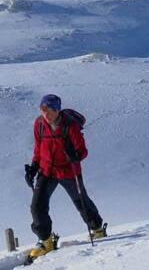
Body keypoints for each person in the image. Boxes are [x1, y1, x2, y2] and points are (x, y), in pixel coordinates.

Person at [25, 94, 106, 258]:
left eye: (48, 110)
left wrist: (75, 156)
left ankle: (97, 228)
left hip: (68, 171)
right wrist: (33, 167)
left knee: (81, 201)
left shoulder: (70, 126)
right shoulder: (39, 124)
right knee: (37, 205)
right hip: (47, 170)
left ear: (57, 110)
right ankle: (46, 241)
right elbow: (38, 148)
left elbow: (83, 151)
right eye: (42, 110)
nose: (45, 114)